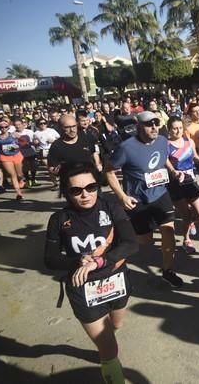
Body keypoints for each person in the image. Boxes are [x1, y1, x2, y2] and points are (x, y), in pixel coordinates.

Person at [44, 163, 138, 384]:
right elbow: (50, 260)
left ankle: (106, 349)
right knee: (109, 348)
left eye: (91, 187)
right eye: (76, 190)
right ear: (66, 192)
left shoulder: (111, 207)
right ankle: (110, 362)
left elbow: (130, 243)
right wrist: (77, 260)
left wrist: (99, 261)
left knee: (115, 326)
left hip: (116, 280)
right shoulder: (59, 219)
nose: (85, 194)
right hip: (83, 290)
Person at [105, 111, 183, 287]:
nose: (154, 127)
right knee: (145, 241)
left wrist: (173, 171)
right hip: (137, 200)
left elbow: (163, 159)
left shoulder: (163, 140)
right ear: (139, 126)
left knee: (169, 232)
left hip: (161, 194)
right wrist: (122, 196)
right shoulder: (126, 148)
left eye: (157, 122)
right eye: (149, 124)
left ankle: (168, 271)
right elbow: (108, 171)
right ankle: (118, 236)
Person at [165, 117, 199, 254]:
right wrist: (174, 172)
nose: (178, 131)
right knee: (185, 216)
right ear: (169, 129)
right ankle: (186, 239)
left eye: (180, 128)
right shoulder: (166, 145)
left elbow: (194, 156)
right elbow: (167, 165)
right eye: (175, 128)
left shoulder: (188, 141)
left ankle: (191, 222)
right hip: (175, 185)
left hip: (190, 182)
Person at [0, 119, 24, 199]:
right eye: (1, 127)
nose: (3, 128)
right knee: (12, 174)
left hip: (16, 155)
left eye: (5, 127)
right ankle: (19, 193)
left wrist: (18, 146)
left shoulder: (14, 134)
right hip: (5, 157)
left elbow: (24, 142)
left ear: (8, 127)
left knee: (19, 174)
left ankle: (21, 180)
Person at [33, 118, 61, 188]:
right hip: (42, 151)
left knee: (56, 166)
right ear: (38, 125)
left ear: (47, 124)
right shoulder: (36, 133)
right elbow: (34, 143)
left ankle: (59, 178)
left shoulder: (52, 130)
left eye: (44, 123)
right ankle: (55, 183)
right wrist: (35, 142)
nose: (43, 125)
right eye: (41, 123)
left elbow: (60, 139)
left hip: (53, 150)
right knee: (49, 168)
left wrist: (53, 141)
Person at [14, 118, 38, 187]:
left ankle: (33, 179)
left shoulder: (29, 131)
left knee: (33, 165)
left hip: (30, 150)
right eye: (16, 125)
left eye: (19, 124)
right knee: (25, 166)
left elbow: (34, 140)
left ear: (22, 124)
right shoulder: (13, 134)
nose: (17, 126)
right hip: (20, 152)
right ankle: (27, 180)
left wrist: (36, 141)